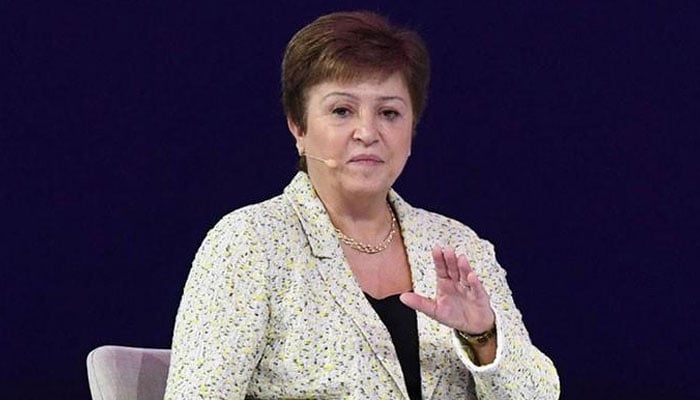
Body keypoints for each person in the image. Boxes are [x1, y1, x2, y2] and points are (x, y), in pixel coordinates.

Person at [165, 10, 559, 400]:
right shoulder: (250, 243)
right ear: (298, 127)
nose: (367, 133)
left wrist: (482, 337)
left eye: (389, 113)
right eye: (342, 110)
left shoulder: (457, 247)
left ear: (411, 130)